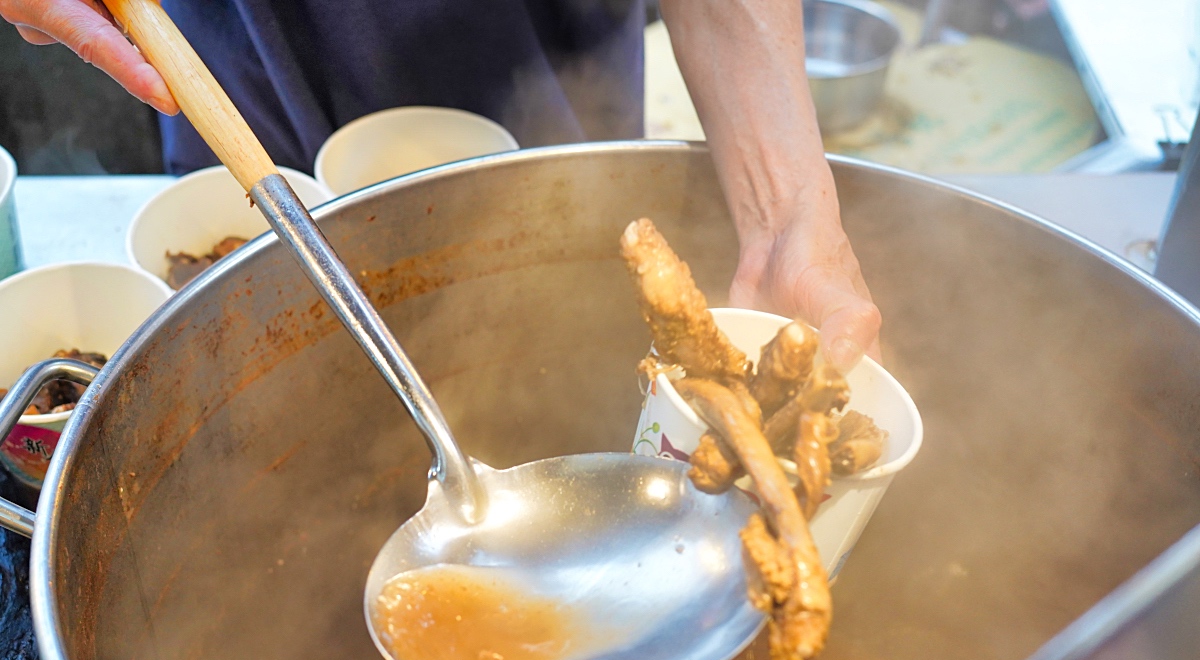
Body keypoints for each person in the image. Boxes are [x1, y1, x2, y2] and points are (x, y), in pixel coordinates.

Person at [1, 0, 881, 371]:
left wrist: (786, 221)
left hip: (547, 74)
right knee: (275, 367)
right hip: (238, 68)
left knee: (574, 328)